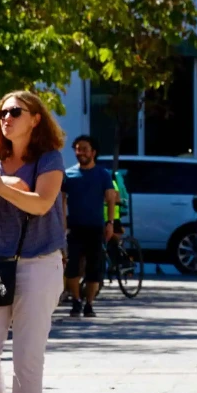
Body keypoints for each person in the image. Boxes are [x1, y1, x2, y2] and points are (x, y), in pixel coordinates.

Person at [0, 91, 66, 393]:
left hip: (39, 263)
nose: (7, 117)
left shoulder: (49, 158)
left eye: (15, 111)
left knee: (27, 355)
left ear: (35, 119)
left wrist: (2, 186)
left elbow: (42, 203)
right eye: (2, 111)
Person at [62, 135, 116, 318]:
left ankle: (89, 304)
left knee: (95, 269)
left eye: (84, 149)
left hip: (96, 229)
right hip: (74, 228)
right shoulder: (68, 175)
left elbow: (110, 200)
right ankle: (76, 301)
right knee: (72, 267)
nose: (81, 152)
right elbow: (61, 202)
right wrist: (62, 224)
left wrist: (110, 223)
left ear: (93, 152)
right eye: (77, 149)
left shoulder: (103, 175)